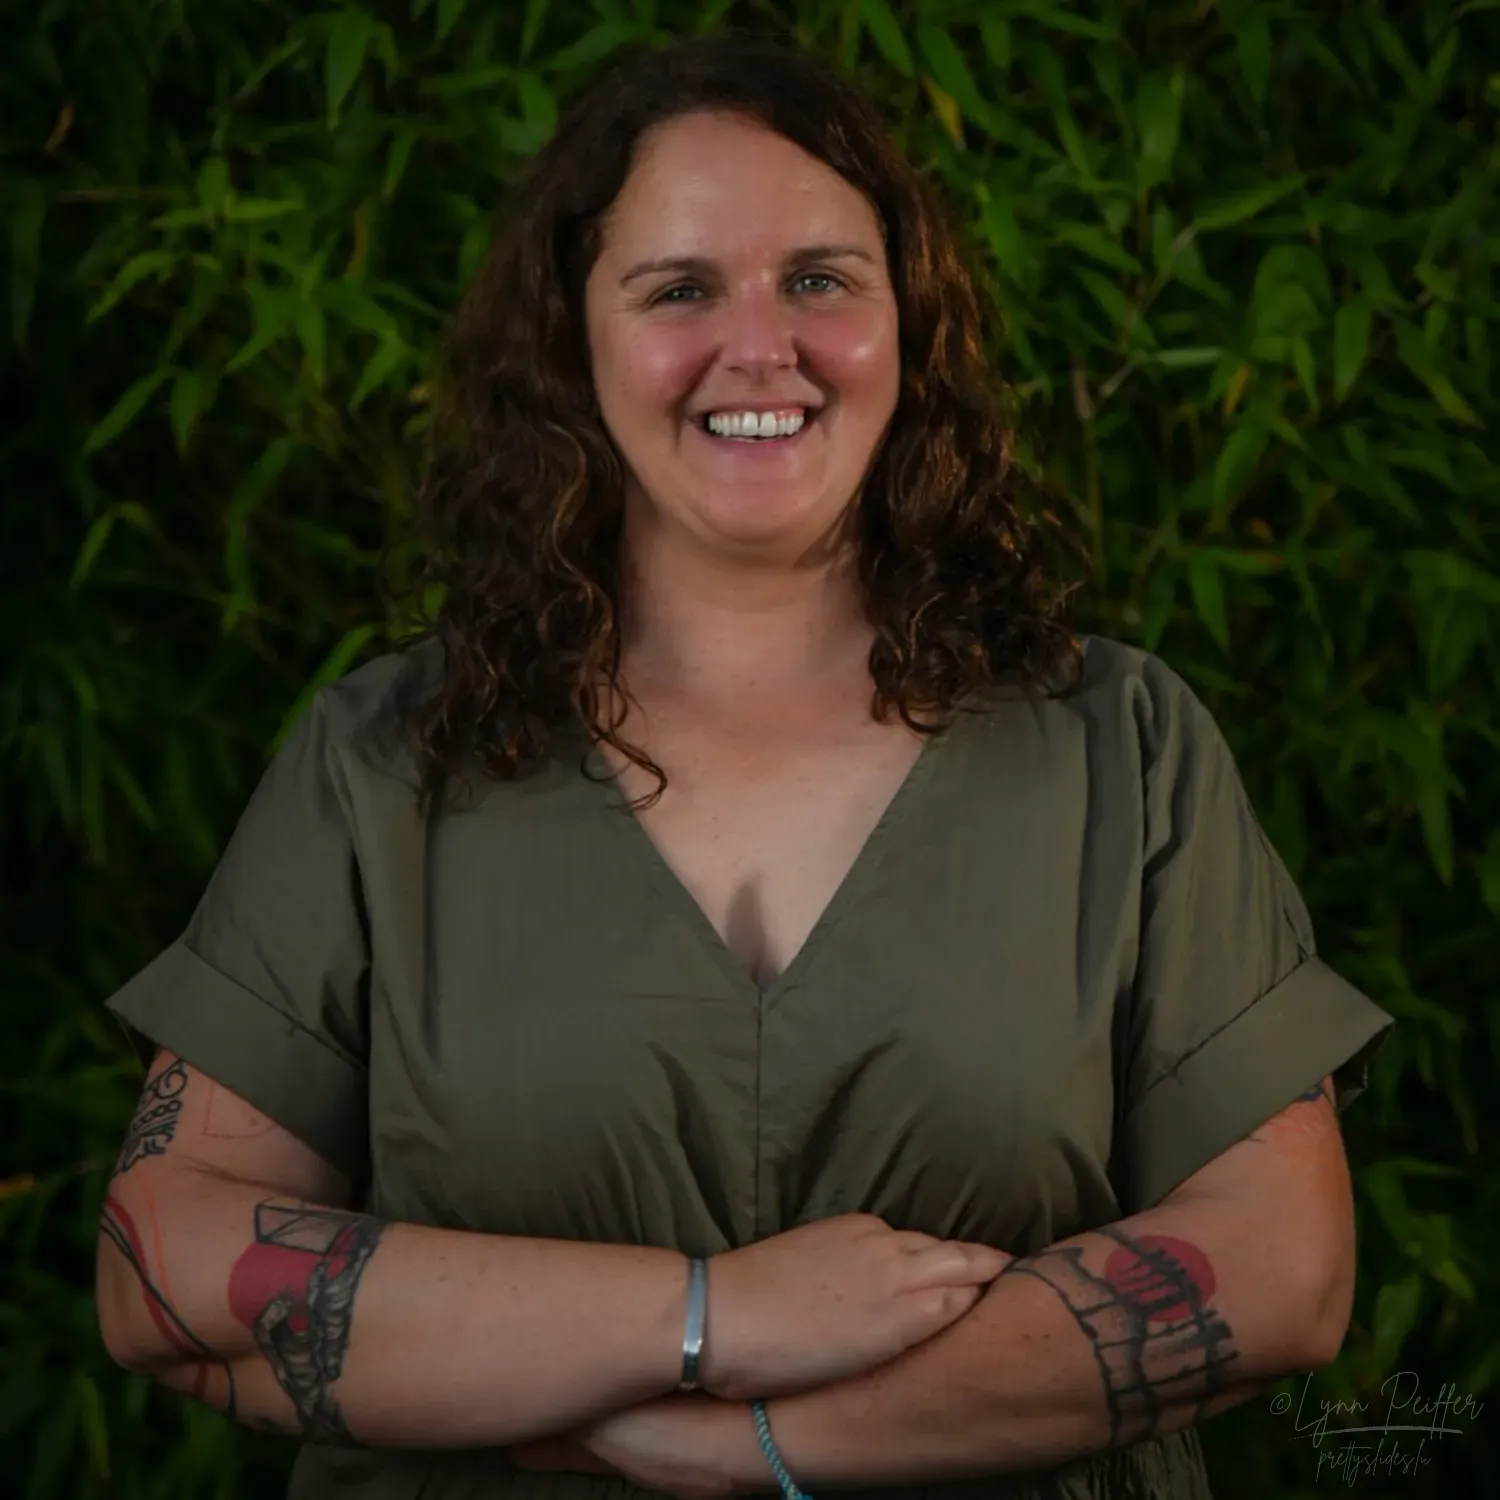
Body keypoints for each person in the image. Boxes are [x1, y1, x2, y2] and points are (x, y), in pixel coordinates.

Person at [95, 30, 1393, 1500]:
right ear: (574, 342)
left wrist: (753, 1444)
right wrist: (711, 1319)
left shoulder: (1123, 748)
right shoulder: (386, 766)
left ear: (910, 323)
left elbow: (1284, 1269)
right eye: (680, 289)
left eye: (821, 279)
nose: (759, 344)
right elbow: (165, 1261)